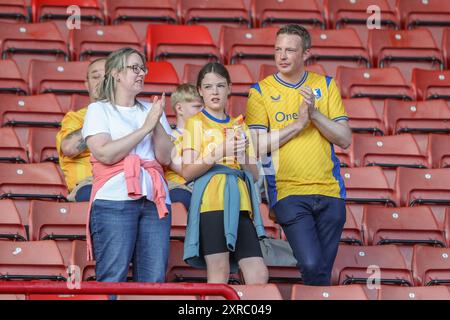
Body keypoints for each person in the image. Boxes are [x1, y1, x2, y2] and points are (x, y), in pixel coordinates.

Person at [245, 24, 352, 286]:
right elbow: (256, 146)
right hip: (288, 191)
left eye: (290, 50)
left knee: (321, 272)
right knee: (312, 263)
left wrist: (314, 115)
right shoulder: (260, 92)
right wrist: (297, 125)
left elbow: (345, 139)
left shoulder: (325, 86)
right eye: (278, 49)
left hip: (330, 191)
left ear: (305, 53)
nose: (282, 56)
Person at [81, 47, 173, 283]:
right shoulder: (98, 109)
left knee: (153, 280)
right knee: (112, 277)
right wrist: (145, 127)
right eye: (134, 68)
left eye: (143, 68)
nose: (141, 73)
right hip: (114, 199)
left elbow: (165, 157)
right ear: (116, 73)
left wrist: (156, 122)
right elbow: (105, 153)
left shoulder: (152, 110)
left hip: (155, 200)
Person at [182, 62, 268, 284]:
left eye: (220, 86)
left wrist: (241, 157)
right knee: (219, 272)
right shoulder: (195, 123)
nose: (215, 92)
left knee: (258, 273)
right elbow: (187, 171)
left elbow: (255, 174)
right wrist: (221, 151)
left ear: (229, 88)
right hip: (212, 202)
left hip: (241, 203)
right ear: (200, 90)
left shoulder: (239, 125)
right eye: (208, 87)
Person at [56, 58, 105, 201]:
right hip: (89, 185)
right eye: (96, 77)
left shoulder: (129, 115)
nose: (101, 81)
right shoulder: (75, 118)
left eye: (107, 77)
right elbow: (69, 148)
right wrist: (104, 117)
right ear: (87, 84)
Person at [165, 84, 203, 211]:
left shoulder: (207, 135)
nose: (203, 111)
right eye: (197, 106)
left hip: (202, 185)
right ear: (180, 108)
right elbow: (185, 171)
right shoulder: (170, 138)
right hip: (178, 186)